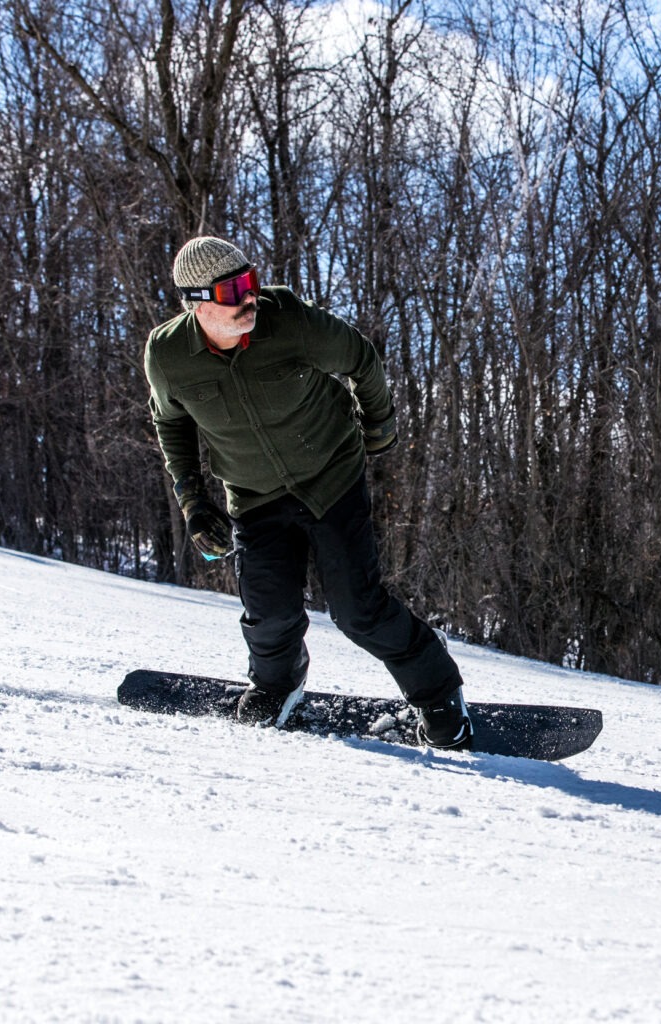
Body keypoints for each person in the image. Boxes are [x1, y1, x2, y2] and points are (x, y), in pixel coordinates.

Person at [144, 236, 472, 748]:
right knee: (269, 611)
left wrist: (379, 421)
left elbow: (360, 357)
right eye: (234, 291)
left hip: (331, 477)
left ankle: (438, 694)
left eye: (250, 282)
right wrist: (192, 499)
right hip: (254, 497)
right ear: (196, 302)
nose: (250, 298)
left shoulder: (288, 318)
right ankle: (278, 687)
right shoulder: (167, 356)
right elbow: (171, 424)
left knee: (357, 610)